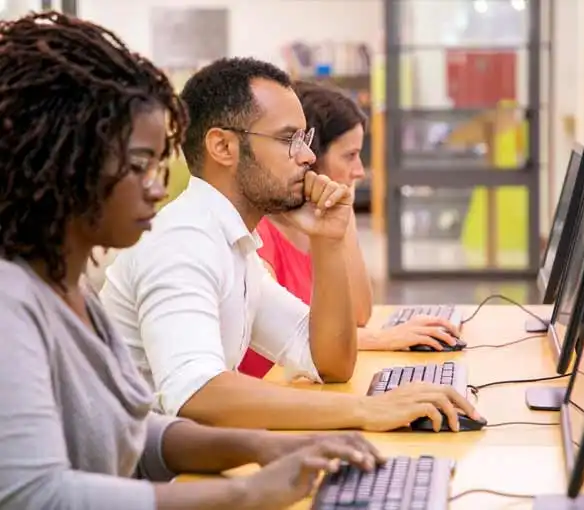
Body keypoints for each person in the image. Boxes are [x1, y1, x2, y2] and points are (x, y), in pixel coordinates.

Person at [0, 12, 384, 510]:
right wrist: (247, 489)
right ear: (65, 166)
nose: (157, 187)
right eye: (139, 166)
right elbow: (37, 495)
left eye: (158, 165)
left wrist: (267, 446)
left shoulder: (72, 295)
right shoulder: (14, 304)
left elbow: (135, 435)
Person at [100, 56, 483, 431]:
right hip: (147, 483)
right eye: (288, 139)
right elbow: (196, 395)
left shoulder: (235, 244)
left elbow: (330, 361)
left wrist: (328, 241)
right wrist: (366, 410)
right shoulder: (183, 241)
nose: (308, 156)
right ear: (223, 147)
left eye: (304, 139)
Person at [239, 80, 461, 378]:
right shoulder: (260, 237)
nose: (359, 170)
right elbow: (294, 341)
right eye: (349, 156)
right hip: (274, 395)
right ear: (312, 160)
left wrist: (346, 217)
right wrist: (384, 339)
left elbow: (359, 314)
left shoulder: (313, 232)